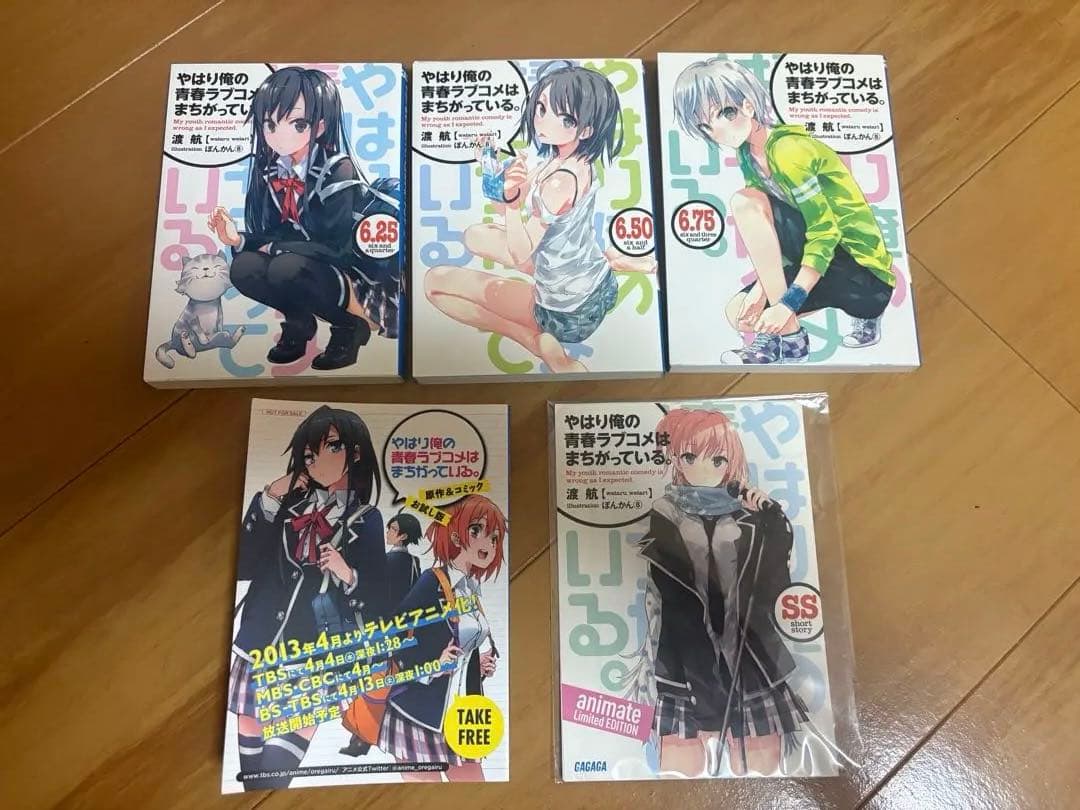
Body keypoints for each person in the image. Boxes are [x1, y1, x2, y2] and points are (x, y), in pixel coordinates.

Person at [424, 60, 654, 373]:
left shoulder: (559, 182)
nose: (543, 121)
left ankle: (535, 342)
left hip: (566, 314)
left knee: (435, 283)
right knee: (475, 235)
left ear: (586, 129)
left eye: (565, 118)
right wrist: (498, 175)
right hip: (598, 283)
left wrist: (511, 204)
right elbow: (513, 201)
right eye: (542, 108)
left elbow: (520, 250)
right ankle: (610, 260)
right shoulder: (571, 160)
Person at [673, 58, 896, 364]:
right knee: (738, 314)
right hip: (818, 264)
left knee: (745, 202)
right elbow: (773, 232)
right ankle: (788, 337)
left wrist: (787, 304)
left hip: (861, 274)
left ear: (748, 106)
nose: (717, 131)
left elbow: (825, 231)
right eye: (705, 125)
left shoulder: (788, 149)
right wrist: (761, 292)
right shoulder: (748, 155)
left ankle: (790, 338)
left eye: (725, 113)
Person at [636, 408, 807, 776]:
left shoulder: (753, 521)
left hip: (751, 663)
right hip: (684, 666)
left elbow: (777, 589)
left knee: (762, 772)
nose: (703, 469)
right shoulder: (665, 514)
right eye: (689, 456)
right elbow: (672, 598)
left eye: (717, 459)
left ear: (732, 463)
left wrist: (772, 521)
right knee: (680, 771)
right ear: (676, 458)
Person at [227, 406, 387, 789]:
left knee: (272, 777)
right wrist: (271, 496)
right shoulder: (285, 506)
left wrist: (348, 573)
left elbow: (379, 596)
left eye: (330, 447)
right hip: (260, 644)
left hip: (314, 653)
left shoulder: (367, 518)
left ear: (355, 453)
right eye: (309, 454)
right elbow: (243, 566)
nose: (316, 461)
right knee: (252, 773)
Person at [208, 66, 401, 370]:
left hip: (348, 271)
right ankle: (298, 322)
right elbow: (276, 233)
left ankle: (348, 326)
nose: (279, 134)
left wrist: (278, 248)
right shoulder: (271, 172)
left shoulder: (338, 170)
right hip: (299, 263)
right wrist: (238, 239)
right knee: (244, 267)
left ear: (320, 127)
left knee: (285, 266)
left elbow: (337, 248)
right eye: (270, 124)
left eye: (297, 124)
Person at [378, 495, 507, 781]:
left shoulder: (471, 589)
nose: (487, 543)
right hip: (419, 712)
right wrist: (433, 665)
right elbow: (394, 632)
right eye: (477, 530)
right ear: (456, 535)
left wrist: (478, 664)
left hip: (462, 714)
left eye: (494, 537)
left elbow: (462, 648)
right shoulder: (432, 581)